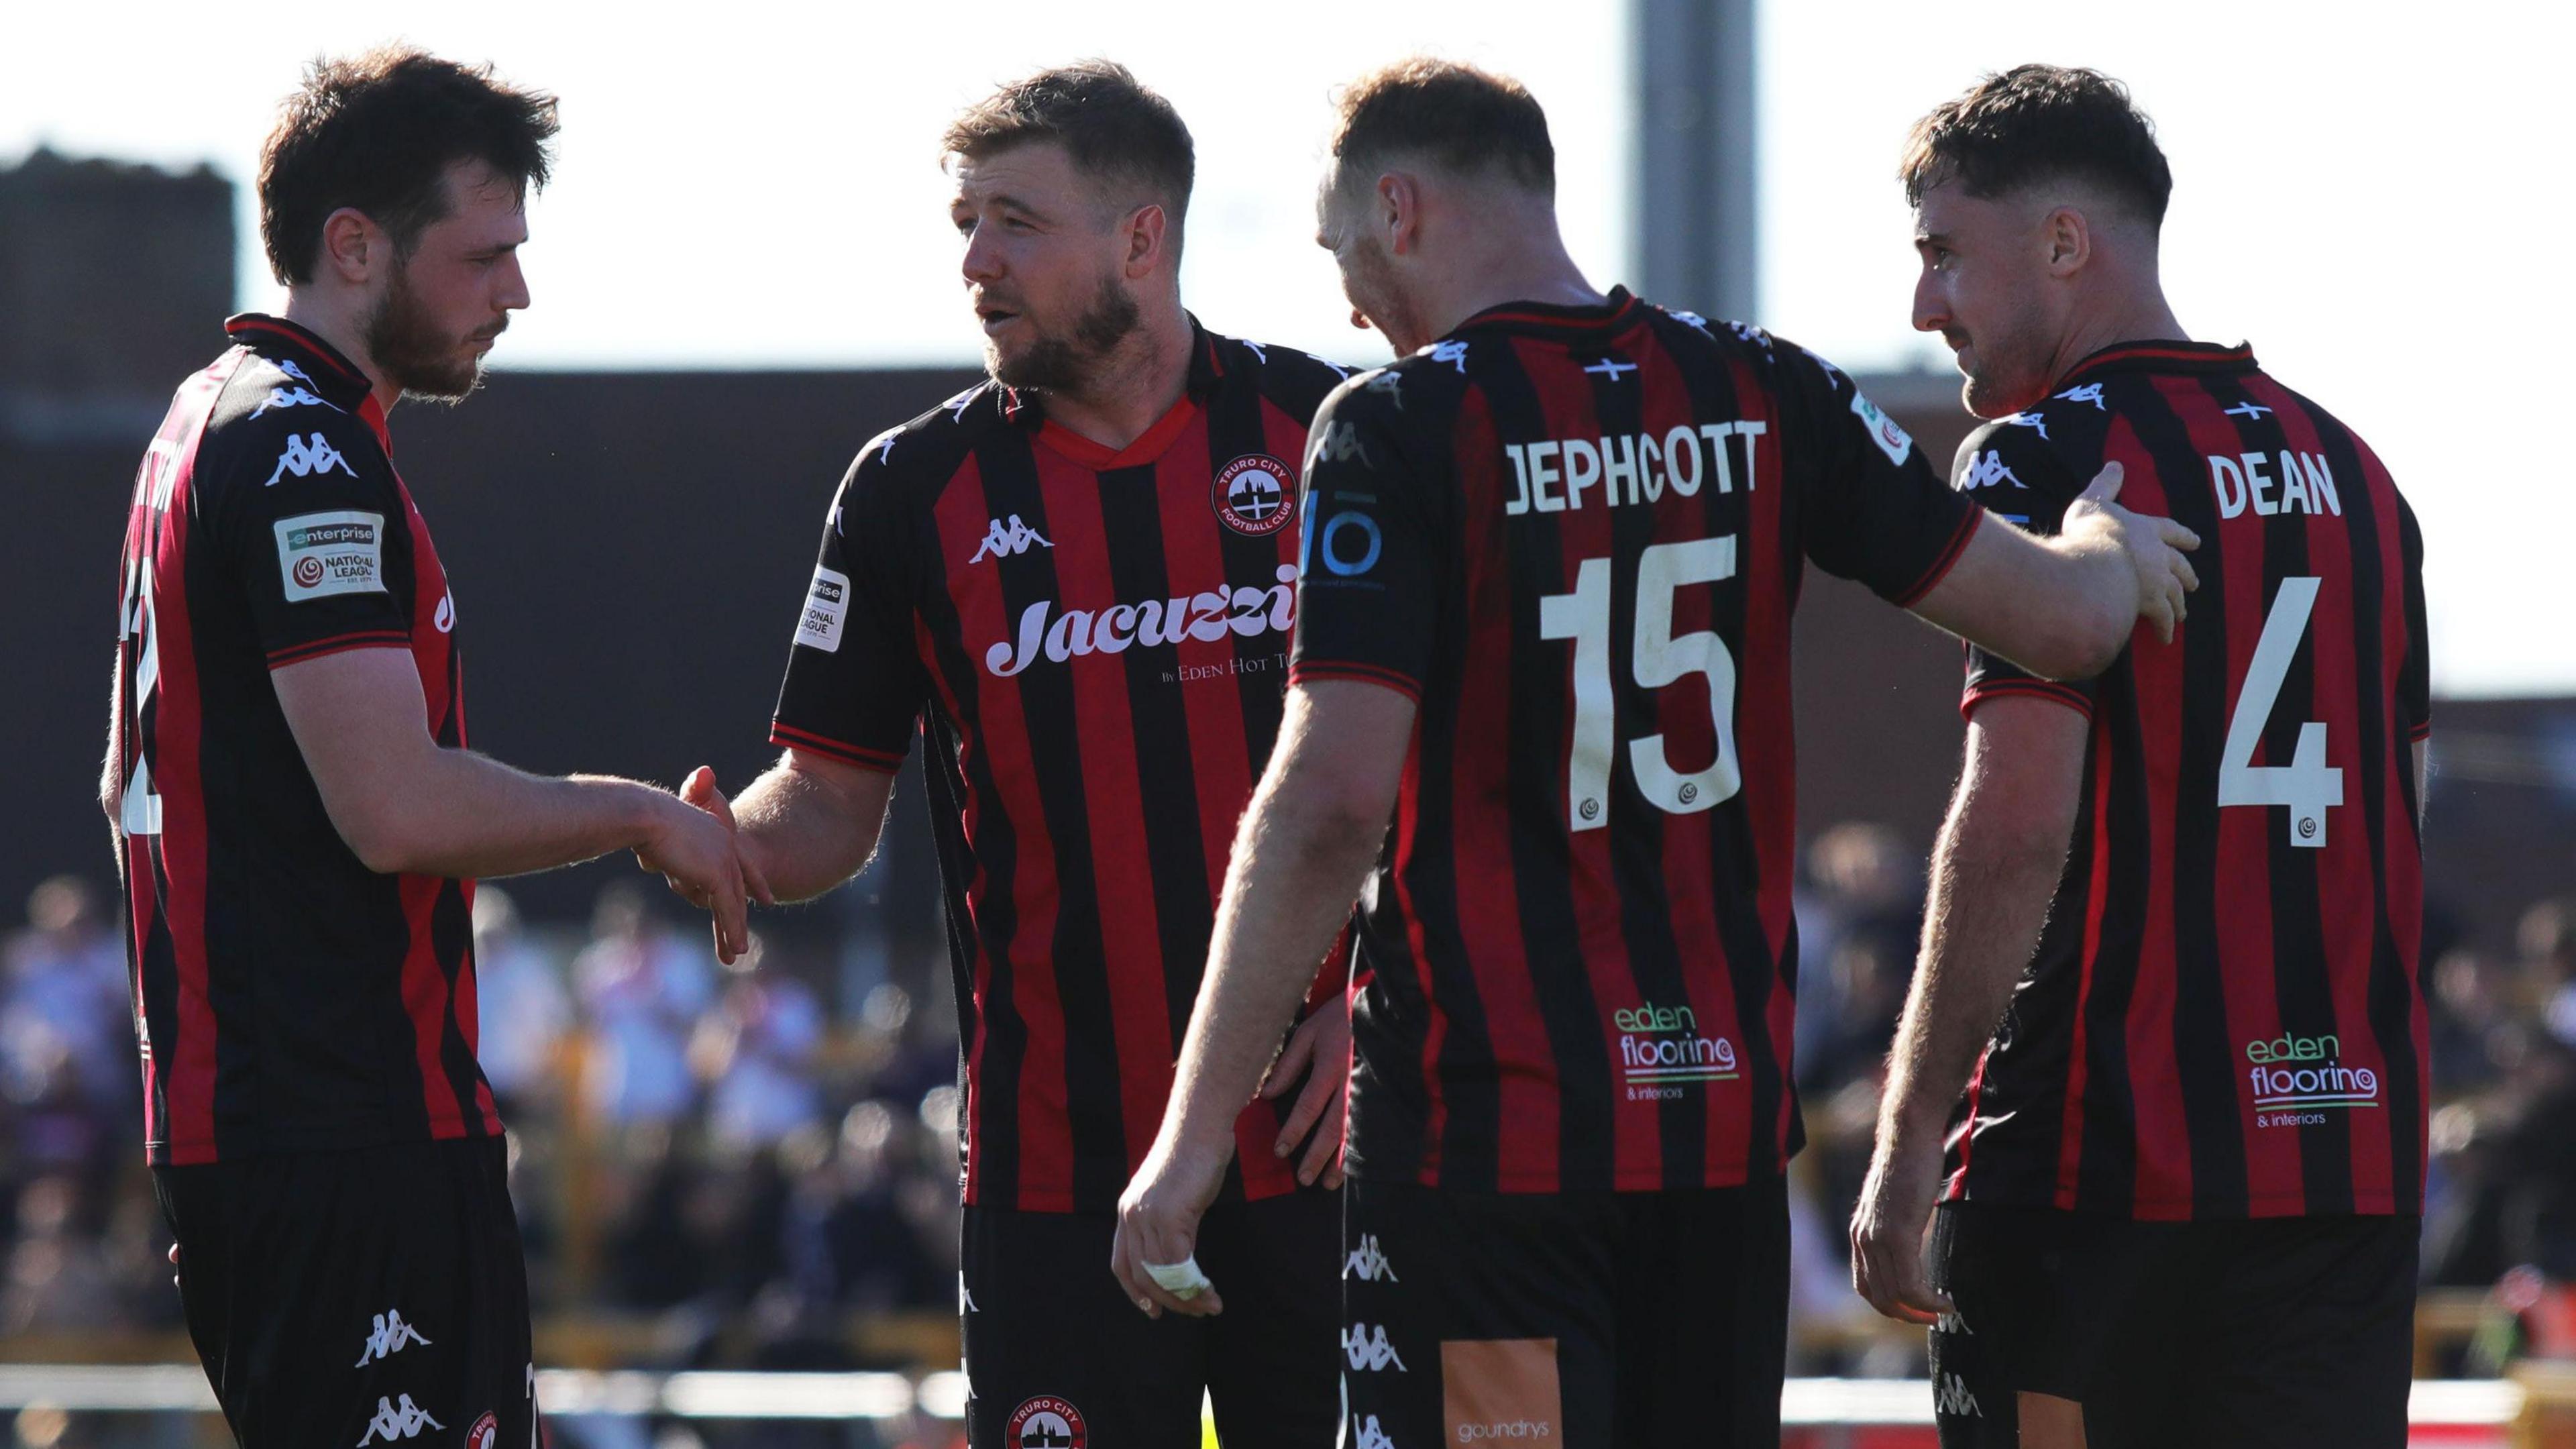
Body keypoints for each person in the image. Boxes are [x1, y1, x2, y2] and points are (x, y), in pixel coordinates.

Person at [1110, 57, 2200, 1449]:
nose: (1351, 307)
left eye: (1341, 254)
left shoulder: (1396, 424)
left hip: (1489, 1157)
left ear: (1399, 209)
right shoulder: (1766, 385)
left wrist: (1191, 1140)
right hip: (1717, 1159)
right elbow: (2065, 620)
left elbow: (1327, 803)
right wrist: (2101, 543)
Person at [682, 62, 1354, 1449]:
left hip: (1327, 1146)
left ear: (1141, 239)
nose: (976, 261)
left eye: (1016, 222)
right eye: (965, 224)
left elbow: (1470, 765)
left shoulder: (1334, 435)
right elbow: (827, 803)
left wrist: (1387, 996)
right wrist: (716, 842)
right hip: (1057, 1172)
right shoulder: (909, 490)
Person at [100, 48, 755, 1448]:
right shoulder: (305, 452)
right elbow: (393, 809)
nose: (515, 293)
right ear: (354, 245)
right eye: (485, 254)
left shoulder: (200, 425)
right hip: (343, 1134)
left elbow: (125, 785)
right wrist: (644, 815)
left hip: (267, 1132)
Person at [1845, 65, 2431, 1449]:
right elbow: (2395, 828)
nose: (1924, 306)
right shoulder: (2363, 476)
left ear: (2064, 242)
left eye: (1943, 253)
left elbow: (2016, 824)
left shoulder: (2045, 460)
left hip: (2090, 1171)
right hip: (2339, 1175)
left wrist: (1910, 1132)